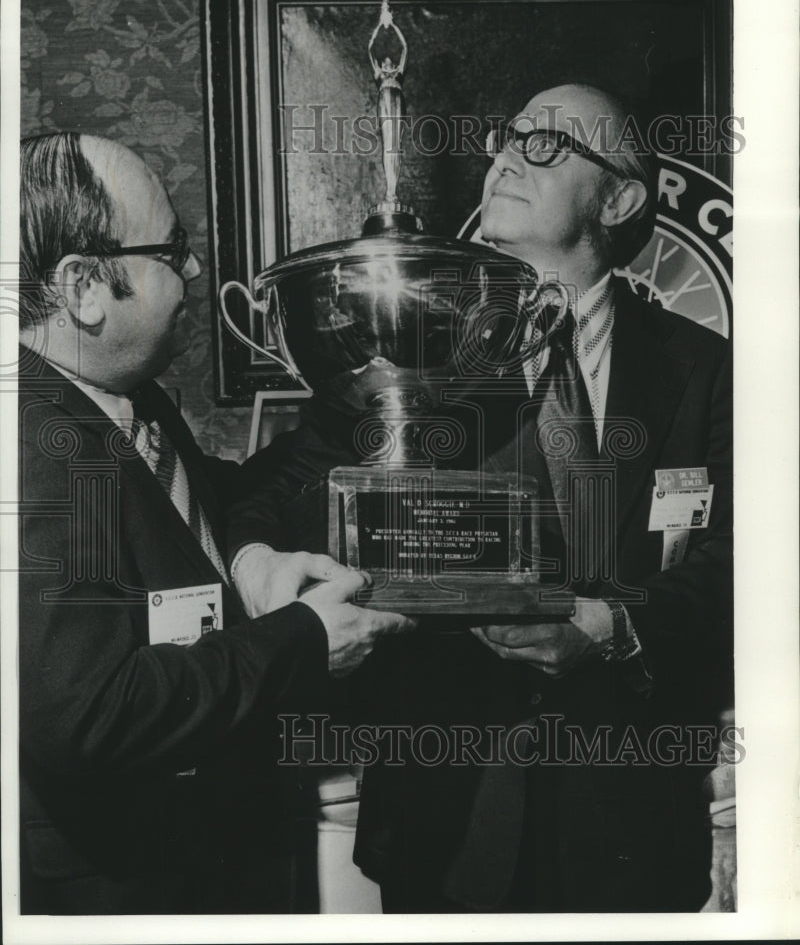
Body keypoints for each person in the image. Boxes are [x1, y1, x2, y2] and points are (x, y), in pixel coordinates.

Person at [226, 84, 733, 913]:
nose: (503, 156)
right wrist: (257, 560)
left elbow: (748, 559)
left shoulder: (708, 368)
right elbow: (269, 487)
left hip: (630, 821)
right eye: (506, 137)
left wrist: (614, 626)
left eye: (544, 145)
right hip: (447, 812)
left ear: (621, 197)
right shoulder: (414, 345)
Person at [17, 132, 411, 915]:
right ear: (84, 287)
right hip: (128, 891)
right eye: (173, 250)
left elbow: (207, 502)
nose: (194, 270)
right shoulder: (37, 450)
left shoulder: (120, 397)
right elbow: (91, 717)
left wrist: (254, 552)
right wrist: (303, 639)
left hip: (204, 853)